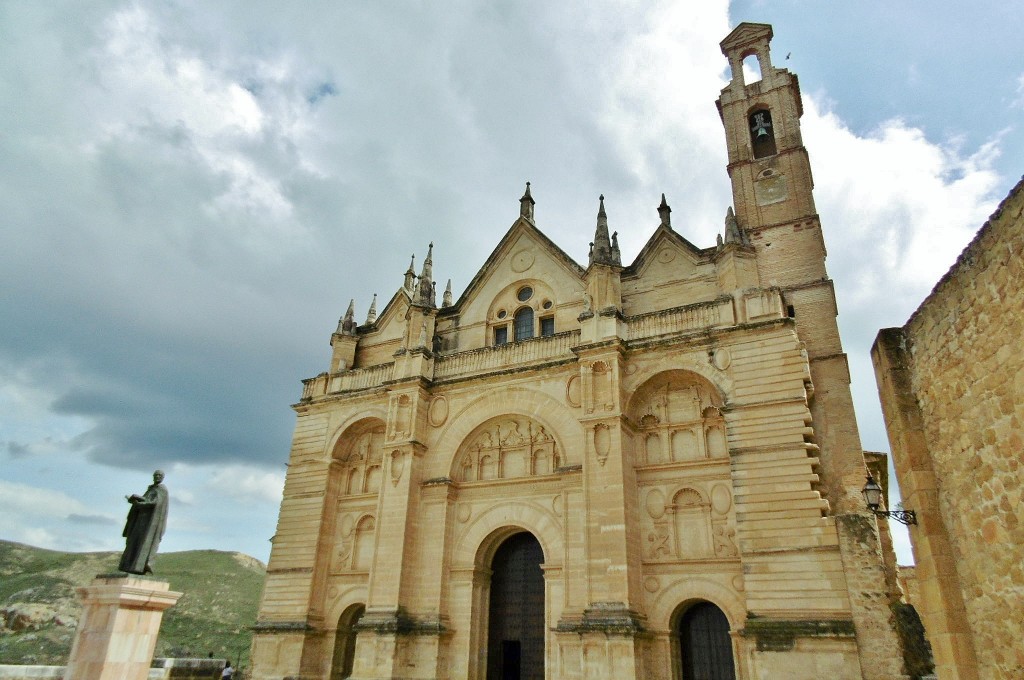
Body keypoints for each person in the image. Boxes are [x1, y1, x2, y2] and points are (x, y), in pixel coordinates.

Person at [118, 470, 169, 575]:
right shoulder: (151, 489)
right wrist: (137, 501)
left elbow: (155, 503)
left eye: (159, 475)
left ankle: (139, 567)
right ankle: (128, 566)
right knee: (133, 542)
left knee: (144, 543)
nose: (157, 477)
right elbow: (147, 500)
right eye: (155, 475)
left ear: (163, 477)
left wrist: (140, 502)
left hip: (150, 524)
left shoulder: (162, 490)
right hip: (140, 520)